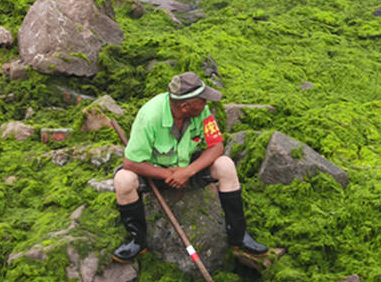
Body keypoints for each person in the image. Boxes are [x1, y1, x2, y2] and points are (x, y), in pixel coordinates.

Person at [111, 72, 268, 263]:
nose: (206, 103)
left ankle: (238, 235)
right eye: (202, 100)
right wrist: (168, 174)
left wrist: (188, 172)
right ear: (185, 106)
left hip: (188, 167)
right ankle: (137, 241)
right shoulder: (149, 116)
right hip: (156, 173)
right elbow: (131, 163)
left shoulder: (202, 112)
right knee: (123, 180)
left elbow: (217, 146)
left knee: (225, 165)